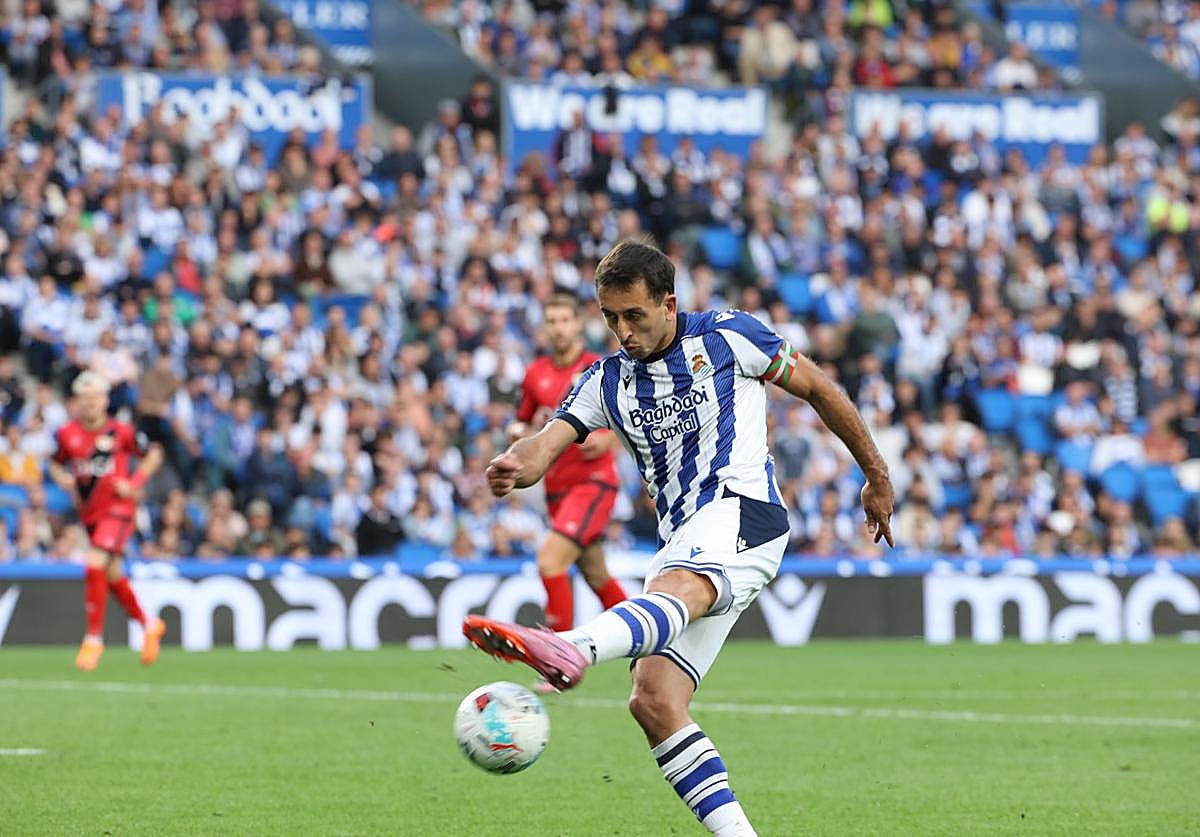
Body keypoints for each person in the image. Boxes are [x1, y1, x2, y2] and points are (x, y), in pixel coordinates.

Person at [464, 240, 894, 836]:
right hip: (685, 538)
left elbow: (818, 387)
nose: (623, 331)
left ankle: (576, 647)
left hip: (743, 514)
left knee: (676, 589)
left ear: (668, 304)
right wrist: (515, 462)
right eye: (611, 318)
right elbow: (546, 443)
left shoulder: (728, 336)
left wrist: (877, 476)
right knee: (654, 702)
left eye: (634, 315)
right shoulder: (605, 380)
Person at [512, 293, 627, 639]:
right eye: (552, 321)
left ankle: (557, 659)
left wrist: (609, 438)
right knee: (597, 576)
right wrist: (517, 432)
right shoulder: (536, 374)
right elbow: (524, 422)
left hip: (593, 482)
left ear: (578, 324)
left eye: (565, 320)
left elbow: (628, 416)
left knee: (549, 560)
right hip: (556, 488)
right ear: (544, 328)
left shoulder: (600, 367)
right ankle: (652, 645)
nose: (558, 328)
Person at [48, 372, 167, 671]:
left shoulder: (121, 431)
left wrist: (135, 481)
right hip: (91, 514)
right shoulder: (67, 434)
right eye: (84, 398)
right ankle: (148, 624)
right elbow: (55, 463)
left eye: (95, 398)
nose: (90, 403)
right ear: (77, 402)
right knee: (111, 574)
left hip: (119, 509)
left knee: (94, 561)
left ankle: (93, 639)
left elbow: (154, 453)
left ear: (104, 400)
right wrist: (62, 478)